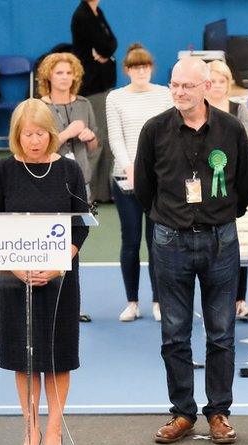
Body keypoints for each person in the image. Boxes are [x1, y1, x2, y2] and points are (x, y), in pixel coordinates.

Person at [134, 57, 248, 445]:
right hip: (170, 242)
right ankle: (183, 412)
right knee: (174, 333)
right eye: (174, 85)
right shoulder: (154, 130)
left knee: (221, 333)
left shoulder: (232, 129)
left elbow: (247, 182)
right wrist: (173, 217)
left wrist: (219, 215)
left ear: (207, 87)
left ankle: (218, 412)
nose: (179, 92)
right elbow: (143, 187)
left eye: (187, 86)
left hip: (221, 241)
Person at [0, 98, 90, 445]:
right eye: (27, 134)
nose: (34, 141)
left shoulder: (69, 171)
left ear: (51, 133)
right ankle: (30, 426)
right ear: (17, 135)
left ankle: (53, 429)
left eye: (41, 134)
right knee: (25, 357)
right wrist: (17, 266)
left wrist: (59, 263)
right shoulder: (1, 170)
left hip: (61, 277)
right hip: (15, 280)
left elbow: (81, 226)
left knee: (58, 357)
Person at [106, 43, 173, 323]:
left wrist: (154, 171)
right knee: (130, 241)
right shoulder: (115, 98)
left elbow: (170, 135)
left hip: (159, 181)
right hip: (125, 181)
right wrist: (129, 167)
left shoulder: (165, 95)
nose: (141, 70)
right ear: (127, 70)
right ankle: (132, 302)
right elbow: (116, 137)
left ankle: (159, 301)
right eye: (135, 67)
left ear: (151, 68)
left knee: (157, 241)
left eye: (145, 66)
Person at [207, 59, 248, 321]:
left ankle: (240, 300)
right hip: (204, 190)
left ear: (229, 84)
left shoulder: (239, 110)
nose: (217, 86)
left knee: (239, 243)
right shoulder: (198, 110)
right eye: (212, 81)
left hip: (233, 187)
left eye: (222, 81)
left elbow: (245, 147)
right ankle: (213, 300)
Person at [70, 0, 118, 202]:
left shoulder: (97, 11)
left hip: (104, 85)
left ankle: (107, 191)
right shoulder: (82, 15)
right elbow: (105, 45)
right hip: (92, 87)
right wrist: (106, 50)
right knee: (96, 140)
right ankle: (92, 192)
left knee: (107, 138)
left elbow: (112, 43)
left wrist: (107, 51)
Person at [37, 53, 99, 200]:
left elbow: (94, 147)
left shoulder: (84, 104)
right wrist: (67, 133)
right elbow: (38, 149)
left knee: (80, 223)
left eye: (69, 73)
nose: (65, 77)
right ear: (48, 76)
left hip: (81, 179)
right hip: (50, 179)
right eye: (59, 73)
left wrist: (90, 138)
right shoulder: (40, 107)